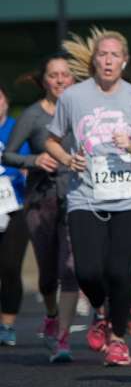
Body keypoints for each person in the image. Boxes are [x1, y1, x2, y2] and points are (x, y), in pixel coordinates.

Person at [44, 28, 131, 366]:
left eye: (115, 55)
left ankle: (117, 339)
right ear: (94, 60)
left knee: (118, 270)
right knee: (87, 273)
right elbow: (52, 140)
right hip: (85, 195)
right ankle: (105, 309)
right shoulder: (73, 98)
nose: (108, 60)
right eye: (102, 54)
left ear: (124, 61)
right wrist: (68, 159)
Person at [3, 54, 78, 361]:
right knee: (48, 274)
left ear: (73, 79)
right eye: (53, 75)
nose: (60, 80)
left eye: (65, 75)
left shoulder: (82, 110)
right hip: (40, 200)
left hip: (77, 197)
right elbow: (7, 155)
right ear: (44, 80)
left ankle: (63, 337)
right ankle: (50, 314)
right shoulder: (33, 116)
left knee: (71, 268)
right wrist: (34, 160)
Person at [0, 86, 31, 346]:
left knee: (10, 266)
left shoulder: (17, 127)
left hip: (16, 206)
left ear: (7, 101)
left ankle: (7, 324)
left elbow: (33, 159)